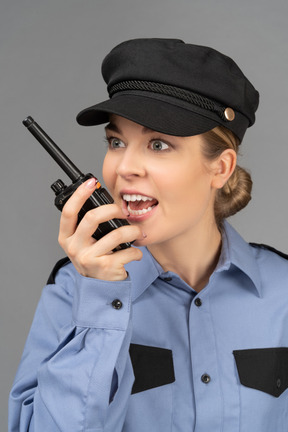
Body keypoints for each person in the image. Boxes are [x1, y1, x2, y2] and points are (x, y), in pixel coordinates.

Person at [9, 38, 288, 432]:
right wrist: (101, 307)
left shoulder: (283, 290)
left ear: (221, 168)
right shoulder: (74, 290)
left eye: (158, 144)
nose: (124, 167)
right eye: (116, 142)